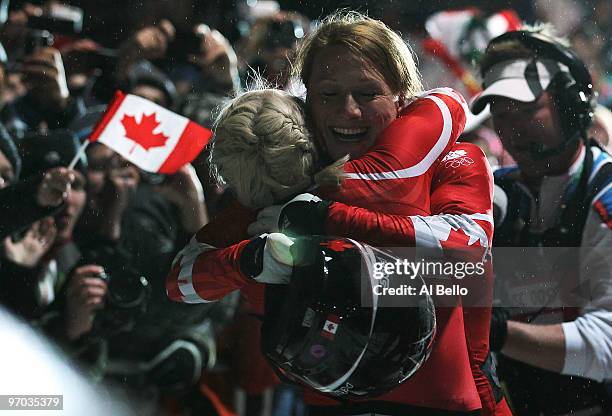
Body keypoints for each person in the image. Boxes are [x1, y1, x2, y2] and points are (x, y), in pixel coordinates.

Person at [168, 11, 508, 415]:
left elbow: (467, 257)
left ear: (401, 95)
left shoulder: (454, 159)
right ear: (305, 97)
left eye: (367, 94)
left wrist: (329, 221)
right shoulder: (289, 183)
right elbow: (181, 283)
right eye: (328, 95)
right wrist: (250, 260)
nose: (348, 111)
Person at [471, 27, 612, 415]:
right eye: (501, 113)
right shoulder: (488, 192)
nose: (511, 128)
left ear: (572, 107)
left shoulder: (607, 194)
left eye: (527, 110)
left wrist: (492, 331)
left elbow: (607, 348)